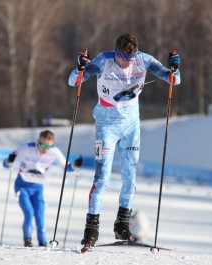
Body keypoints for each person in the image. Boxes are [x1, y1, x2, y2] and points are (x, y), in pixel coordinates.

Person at [68, 33, 181, 248]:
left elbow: (174, 80)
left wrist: (175, 68)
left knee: (130, 177)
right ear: (116, 53)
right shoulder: (103, 61)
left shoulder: (143, 60)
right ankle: (91, 229)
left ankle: (122, 224)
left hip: (131, 126)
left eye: (131, 60)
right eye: (124, 60)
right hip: (106, 126)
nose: (127, 64)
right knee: (102, 177)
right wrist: (79, 67)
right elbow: (74, 82)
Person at [2, 130, 83, 247]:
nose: (45, 149)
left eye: (48, 146)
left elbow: (67, 167)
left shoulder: (54, 151)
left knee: (40, 216)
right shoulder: (26, 147)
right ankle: (27, 240)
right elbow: (6, 163)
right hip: (22, 186)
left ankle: (43, 243)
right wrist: (8, 160)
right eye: (43, 145)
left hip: (38, 188)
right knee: (29, 213)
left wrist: (75, 164)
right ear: (37, 142)